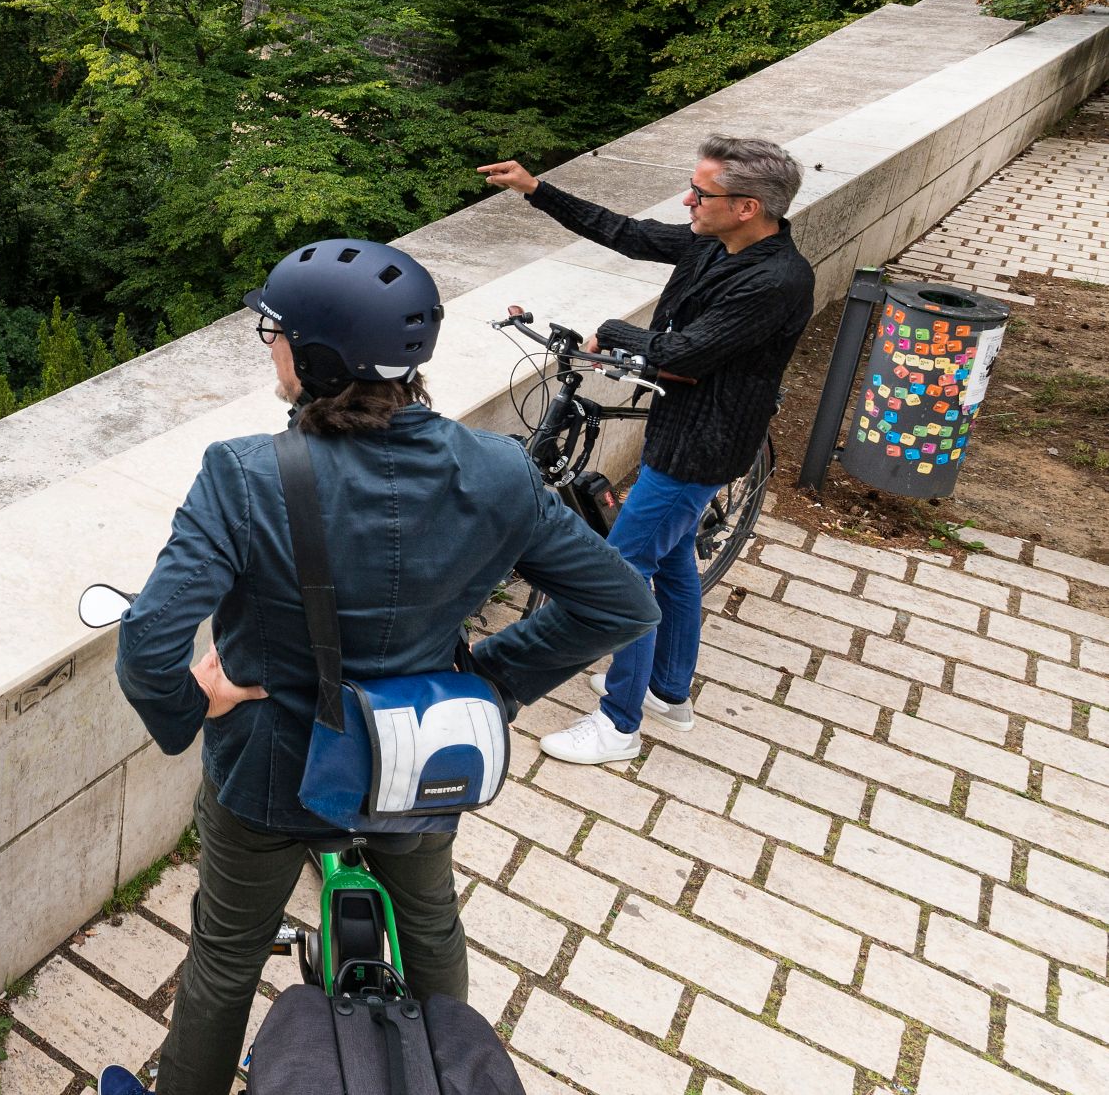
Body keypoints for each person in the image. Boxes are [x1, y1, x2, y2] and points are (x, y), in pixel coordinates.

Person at [110, 239, 659, 1095]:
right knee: (432, 926)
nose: (271, 347)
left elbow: (148, 641)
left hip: (270, 769)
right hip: (419, 760)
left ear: (316, 357)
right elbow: (623, 605)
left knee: (225, 954)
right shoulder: (500, 471)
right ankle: (449, 1070)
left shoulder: (245, 475)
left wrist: (191, 706)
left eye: (275, 333)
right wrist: (488, 680)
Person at [477, 137, 815, 765]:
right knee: (677, 562)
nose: (690, 200)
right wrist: (535, 188)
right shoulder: (716, 241)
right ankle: (668, 692)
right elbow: (627, 233)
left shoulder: (774, 279)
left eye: (702, 193)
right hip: (683, 429)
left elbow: (684, 352)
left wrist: (611, 332)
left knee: (622, 579)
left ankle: (618, 724)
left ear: (747, 207)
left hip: (700, 445)